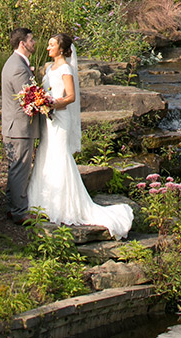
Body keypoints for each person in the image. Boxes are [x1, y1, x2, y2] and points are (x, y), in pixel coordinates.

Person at [28, 32, 134, 239]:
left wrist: (53, 104)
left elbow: (71, 96)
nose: (48, 47)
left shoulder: (66, 69)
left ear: (62, 49)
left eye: (52, 45)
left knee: (59, 156)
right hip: (48, 119)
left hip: (60, 118)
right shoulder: (48, 68)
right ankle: (42, 201)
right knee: (46, 153)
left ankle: (64, 204)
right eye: (48, 44)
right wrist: (40, 102)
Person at [1, 26, 41, 224]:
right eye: (31, 40)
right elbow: (29, 100)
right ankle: (19, 212)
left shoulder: (16, 63)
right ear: (22, 43)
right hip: (19, 128)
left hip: (14, 127)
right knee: (20, 169)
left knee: (15, 168)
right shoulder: (17, 67)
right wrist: (46, 104)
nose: (34, 43)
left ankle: (12, 207)